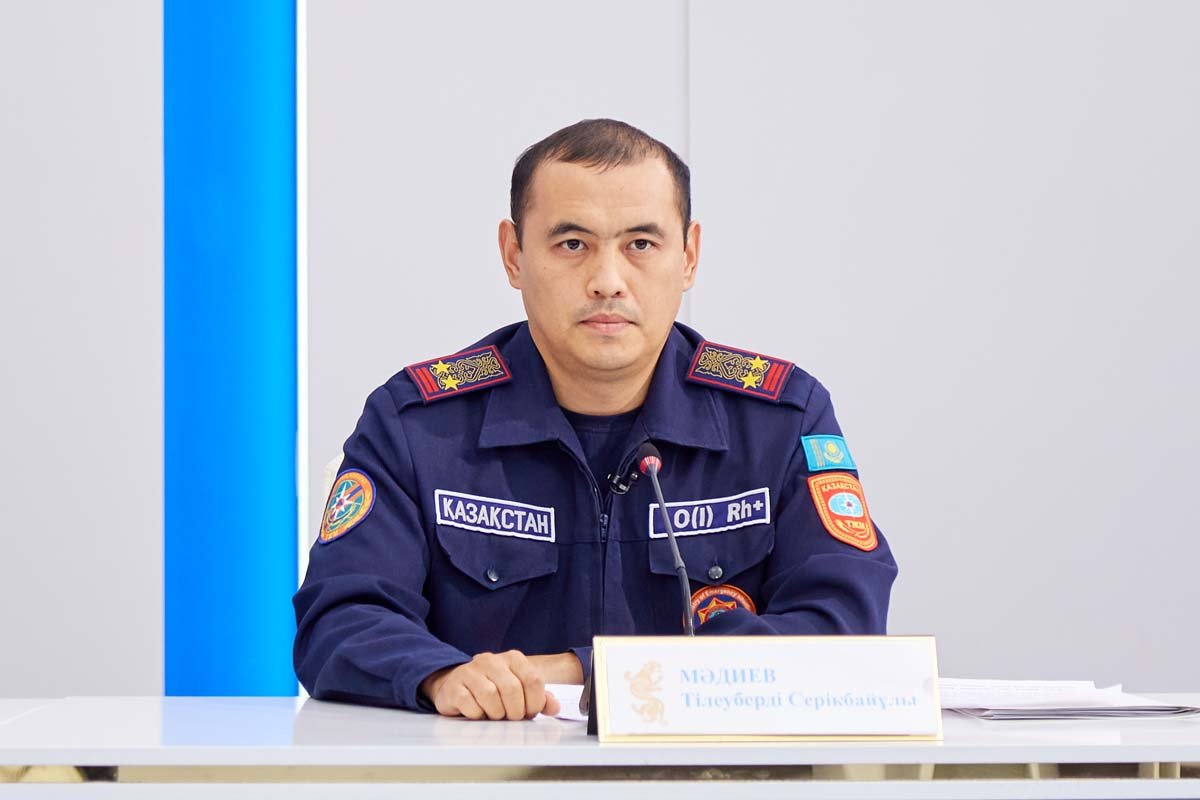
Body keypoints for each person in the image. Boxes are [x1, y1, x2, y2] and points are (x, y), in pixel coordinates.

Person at [293, 119, 898, 721]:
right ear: (513, 255)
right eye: (572, 245)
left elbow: (842, 630)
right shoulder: (418, 426)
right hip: (487, 769)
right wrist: (441, 677)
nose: (607, 282)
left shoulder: (779, 422)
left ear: (688, 257)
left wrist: (586, 672)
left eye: (641, 245)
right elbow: (340, 619)